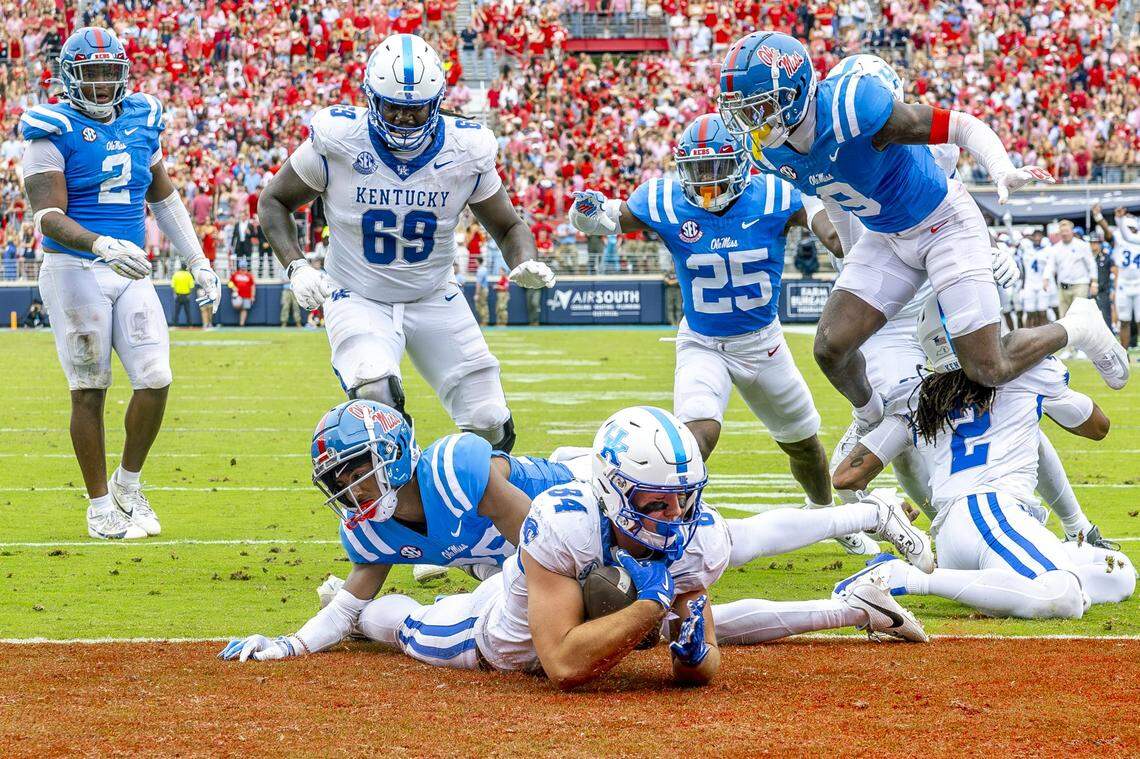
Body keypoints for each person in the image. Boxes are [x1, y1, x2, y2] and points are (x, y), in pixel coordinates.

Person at [221, 407, 930, 682]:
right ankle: (850, 590)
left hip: (576, 516)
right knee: (410, 625)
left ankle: (860, 522)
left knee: (712, 550)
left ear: (397, 453)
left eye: (361, 467)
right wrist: (296, 640)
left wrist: (656, 611)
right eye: (342, 478)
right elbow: (357, 597)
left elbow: (524, 524)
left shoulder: (458, 468)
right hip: (543, 559)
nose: (354, 486)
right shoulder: (372, 526)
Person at [717, 31, 1128, 447]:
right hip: (888, 237)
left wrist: (1001, 168)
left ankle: (1079, 326)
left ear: (798, 90)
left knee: (987, 367)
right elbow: (833, 193)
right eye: (743, 112)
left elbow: (959, 125)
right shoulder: (767, 150)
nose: (753, 122)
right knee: (830, 347)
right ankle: (870, 416)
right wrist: (855, 262)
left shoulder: (853, 107)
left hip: (943, 224)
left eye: (762, 108)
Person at [570, 114, 855, 549]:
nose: (706, 183)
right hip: (703, 342)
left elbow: (826, 227)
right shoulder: (665, 200)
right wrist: (587, 211)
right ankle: (665, 526)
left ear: (741, 165)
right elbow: (608, 219)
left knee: (802, 442)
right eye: (697, 171)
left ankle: (823, 515)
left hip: (763, 344)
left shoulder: (774, 193)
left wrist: (839, 237)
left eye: (717, 170)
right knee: (697, 433)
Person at [258, 34, 554, 450]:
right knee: (375, 394)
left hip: (434, 295)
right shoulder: (339, 140)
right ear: (370, 98)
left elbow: (508, 226)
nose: (403, 118)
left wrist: (523, 260)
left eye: (415, 109)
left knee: (490, 421)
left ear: (436, 103)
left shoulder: (465, 149)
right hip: (357, 294)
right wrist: (297, 266)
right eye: (392, 105)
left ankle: (480, 511)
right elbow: (274, 201)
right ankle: (398, 508)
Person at [20, 27, 221, 540]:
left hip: (128, 269)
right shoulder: (50, 126)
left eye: (111, 72)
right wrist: (100, 244)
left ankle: (129, 485)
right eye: (93, 74)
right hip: (74, 267)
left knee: (155, 376)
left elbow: (164, 198)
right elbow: (46, 215)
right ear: (71, 76)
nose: (105, 84)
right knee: (89, 388)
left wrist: (197, 259)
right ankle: (99, 505)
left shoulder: (141, 117)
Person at [832, 296, 1135, 619]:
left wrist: (880, 515)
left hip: (957, 531)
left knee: (1119, 574)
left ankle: (1001, 583)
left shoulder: (917, 395)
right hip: (990, 509)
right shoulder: (1025, 372)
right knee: (1064, 597)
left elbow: (846, 477)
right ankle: (900, 576)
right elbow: (1097, 427)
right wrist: (1046, 393)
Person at [1097, 206, 1140, 351]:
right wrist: (1098, 217)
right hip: (1123, 284)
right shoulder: (1119, 240)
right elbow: (1107, 232)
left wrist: (1119, 220)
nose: (1130, 231)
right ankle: (1124, 352)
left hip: (1139, 284)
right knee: (1124, 320)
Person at [1051, 220, 1097, 322]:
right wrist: (1046, 279)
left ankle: (1081, 337)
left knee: (1079, 314)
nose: (1064, 233)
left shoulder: (1082, 245)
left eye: (1066, 231)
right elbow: (1050, 266)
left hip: (1080, 284)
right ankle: (1067, 338)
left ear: (1072, 231)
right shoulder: (1055, 248)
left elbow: (1091, 264)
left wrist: (1094, 282)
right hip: (1063, 286)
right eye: (1062, 231)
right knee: (1063, 317)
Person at [228, 260, 255, 327]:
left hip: (247, 295)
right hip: (237, 296)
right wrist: (233, 287)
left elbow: (252, 286)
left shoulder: (249, 275)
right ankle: (239, 322)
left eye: (244, 267)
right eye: (242, 267)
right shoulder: (235, 274)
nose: (243, 269)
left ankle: (241, 324)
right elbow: (229, 283)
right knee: (238, 306)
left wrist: (253, 296)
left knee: (244, 308)